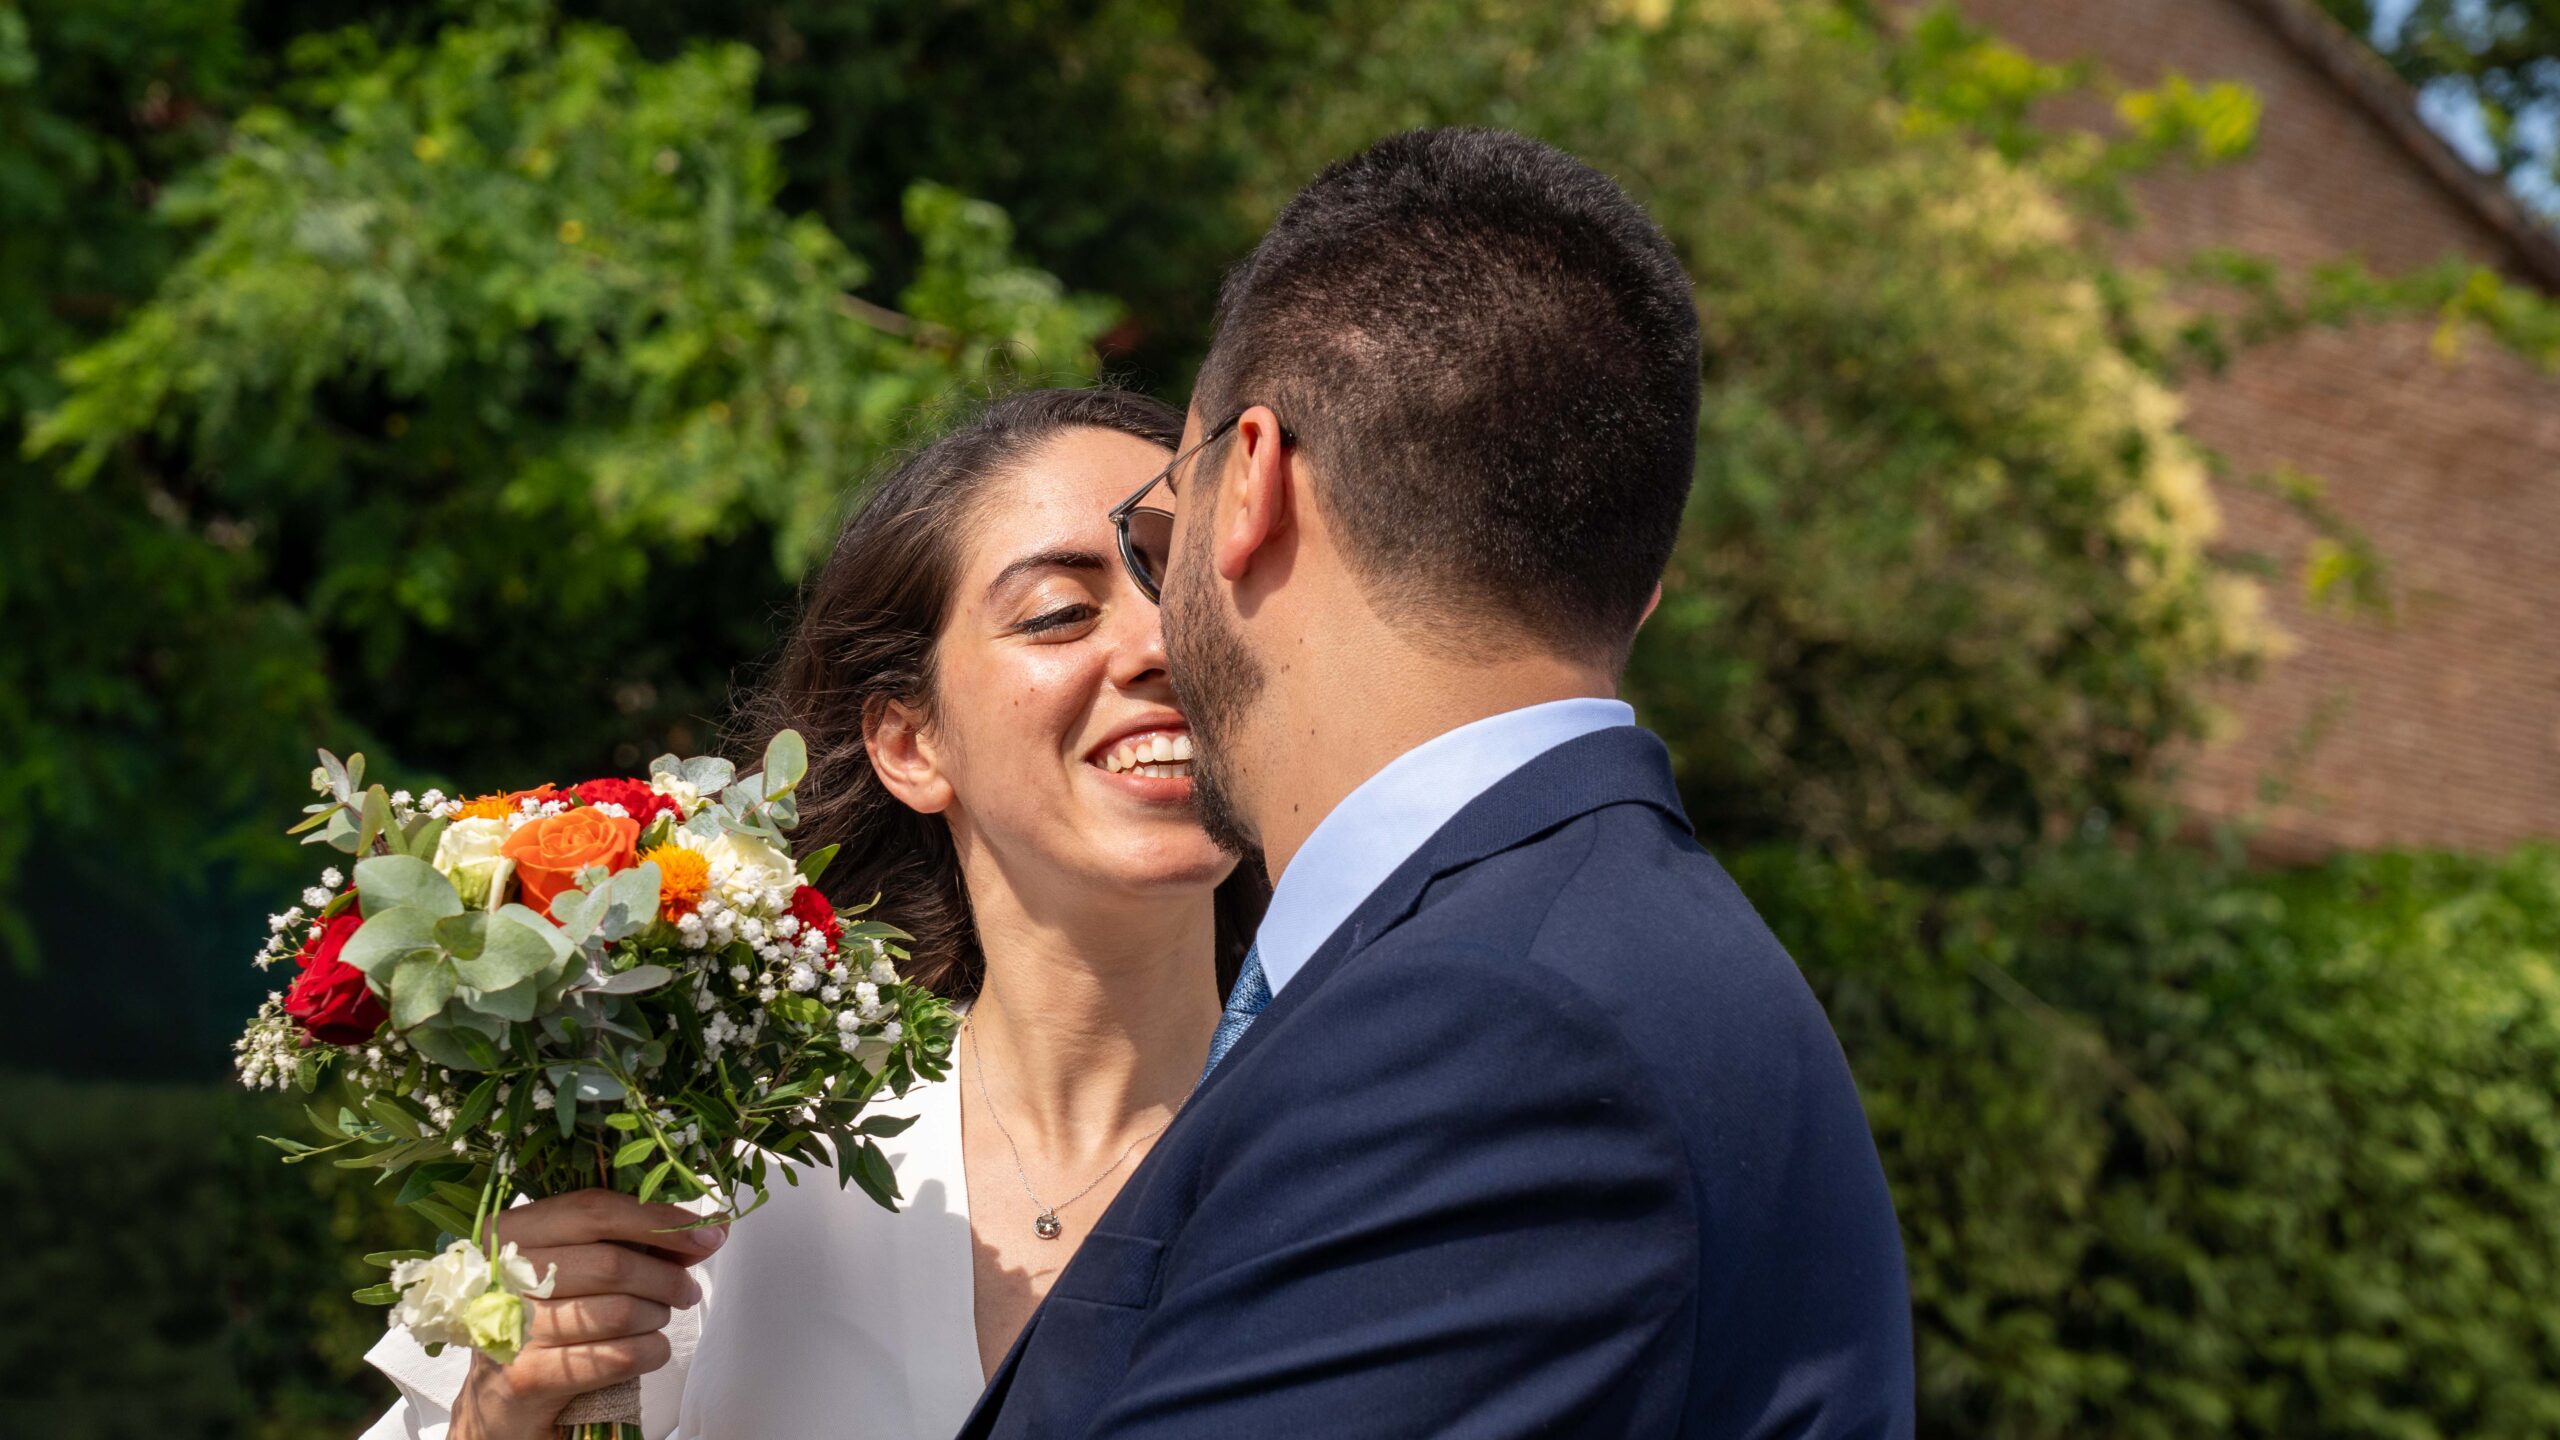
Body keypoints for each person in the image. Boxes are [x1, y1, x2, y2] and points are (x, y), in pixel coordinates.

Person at [962, 129, 1916, 1437]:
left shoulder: (1490, 1023)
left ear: (1249, 484)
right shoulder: (1590, 953)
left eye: (1156, 531)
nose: (1155, 614)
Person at [357, 388, 1263, 1439]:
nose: (1163, 643)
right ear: (909, 746)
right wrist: (498, 1419)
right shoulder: (708, 1159)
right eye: (1060, 611)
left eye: (1190, 587)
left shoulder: (1391, 1129)